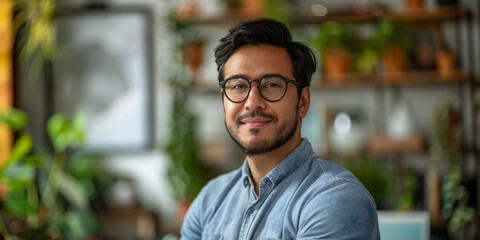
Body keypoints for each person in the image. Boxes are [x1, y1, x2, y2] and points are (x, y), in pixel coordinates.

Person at [181, 18, 380, 240]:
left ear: (303, 101)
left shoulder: (337, 197)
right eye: (238, 86)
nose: (252, 102)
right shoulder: (209, 200)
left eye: (272, 85)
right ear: (224, 101)